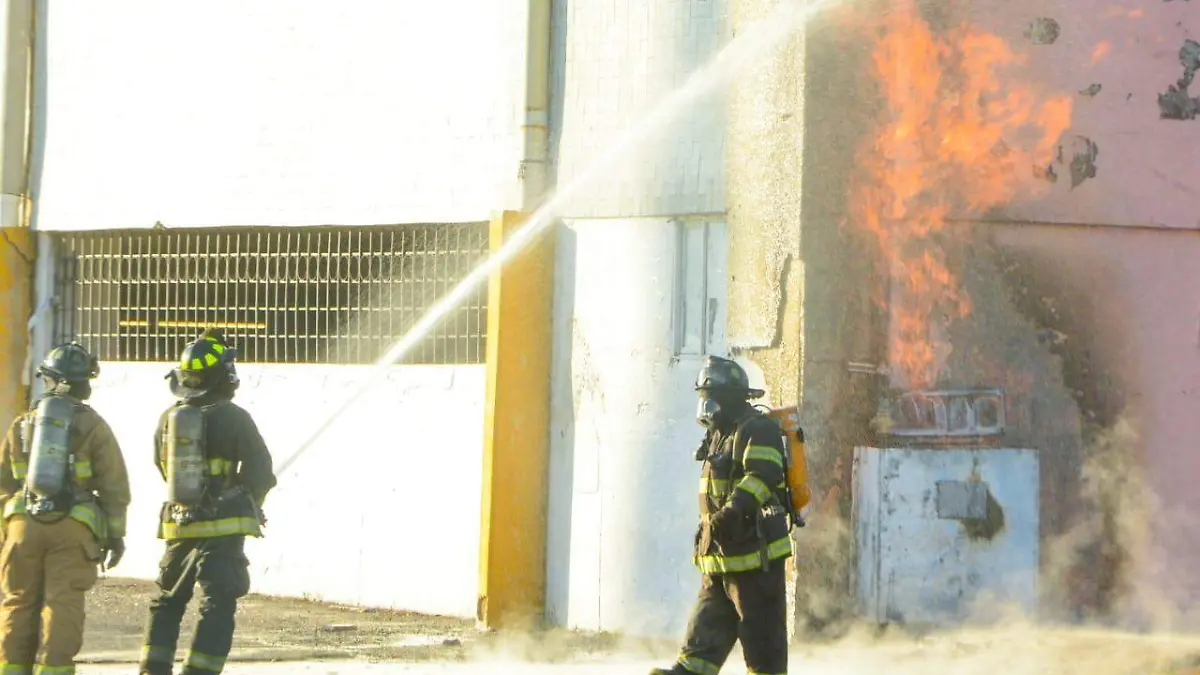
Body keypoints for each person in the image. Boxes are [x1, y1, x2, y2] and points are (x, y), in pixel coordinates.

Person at [139, 332, 276, 675]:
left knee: (167, 600)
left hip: (180, 521)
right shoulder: (234, 417)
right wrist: (249, 499)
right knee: (217, 602)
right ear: (222, 375)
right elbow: (261, 470)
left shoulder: (170, 417)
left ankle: (152, 669)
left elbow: (162, 465)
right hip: (225, 524)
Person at [651, 355, 793, 675]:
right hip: (719, 558)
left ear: (729, 397)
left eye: (711, 397)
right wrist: (707, 532)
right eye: (703, 397)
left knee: (761, 641)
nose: (706, 405)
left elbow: (762, 476)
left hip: (756, 560)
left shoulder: (758, 429)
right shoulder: (721, 433)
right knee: (704, 634)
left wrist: (730, 515)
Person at [0, 341, 131, 674]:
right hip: (72, 530)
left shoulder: (21, 424)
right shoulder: (93, 426)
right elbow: (115, 488)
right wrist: (115, 536)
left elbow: (4, 482)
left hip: (22, 526)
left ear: (48, 378)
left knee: (18, 599)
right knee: (62, 602)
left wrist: (8, 528)